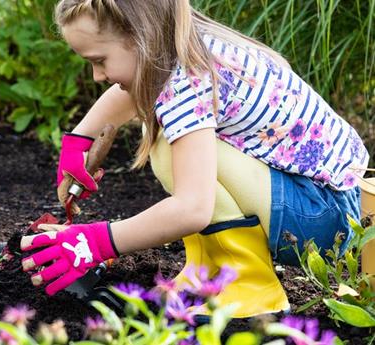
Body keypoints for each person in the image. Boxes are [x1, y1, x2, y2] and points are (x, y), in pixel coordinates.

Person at [19, 0, 370, 318]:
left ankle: (251, 285)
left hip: (329, 221)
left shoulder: (187, 78)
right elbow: (127, 92)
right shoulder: (182, 47)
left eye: (100, 61)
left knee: (176, 152)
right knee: (168, 146)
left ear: (139, 35)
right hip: (317, 204)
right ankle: (208, 274)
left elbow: (193, 208)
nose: (97, 75)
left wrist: (94, 241)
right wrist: (79, 140)